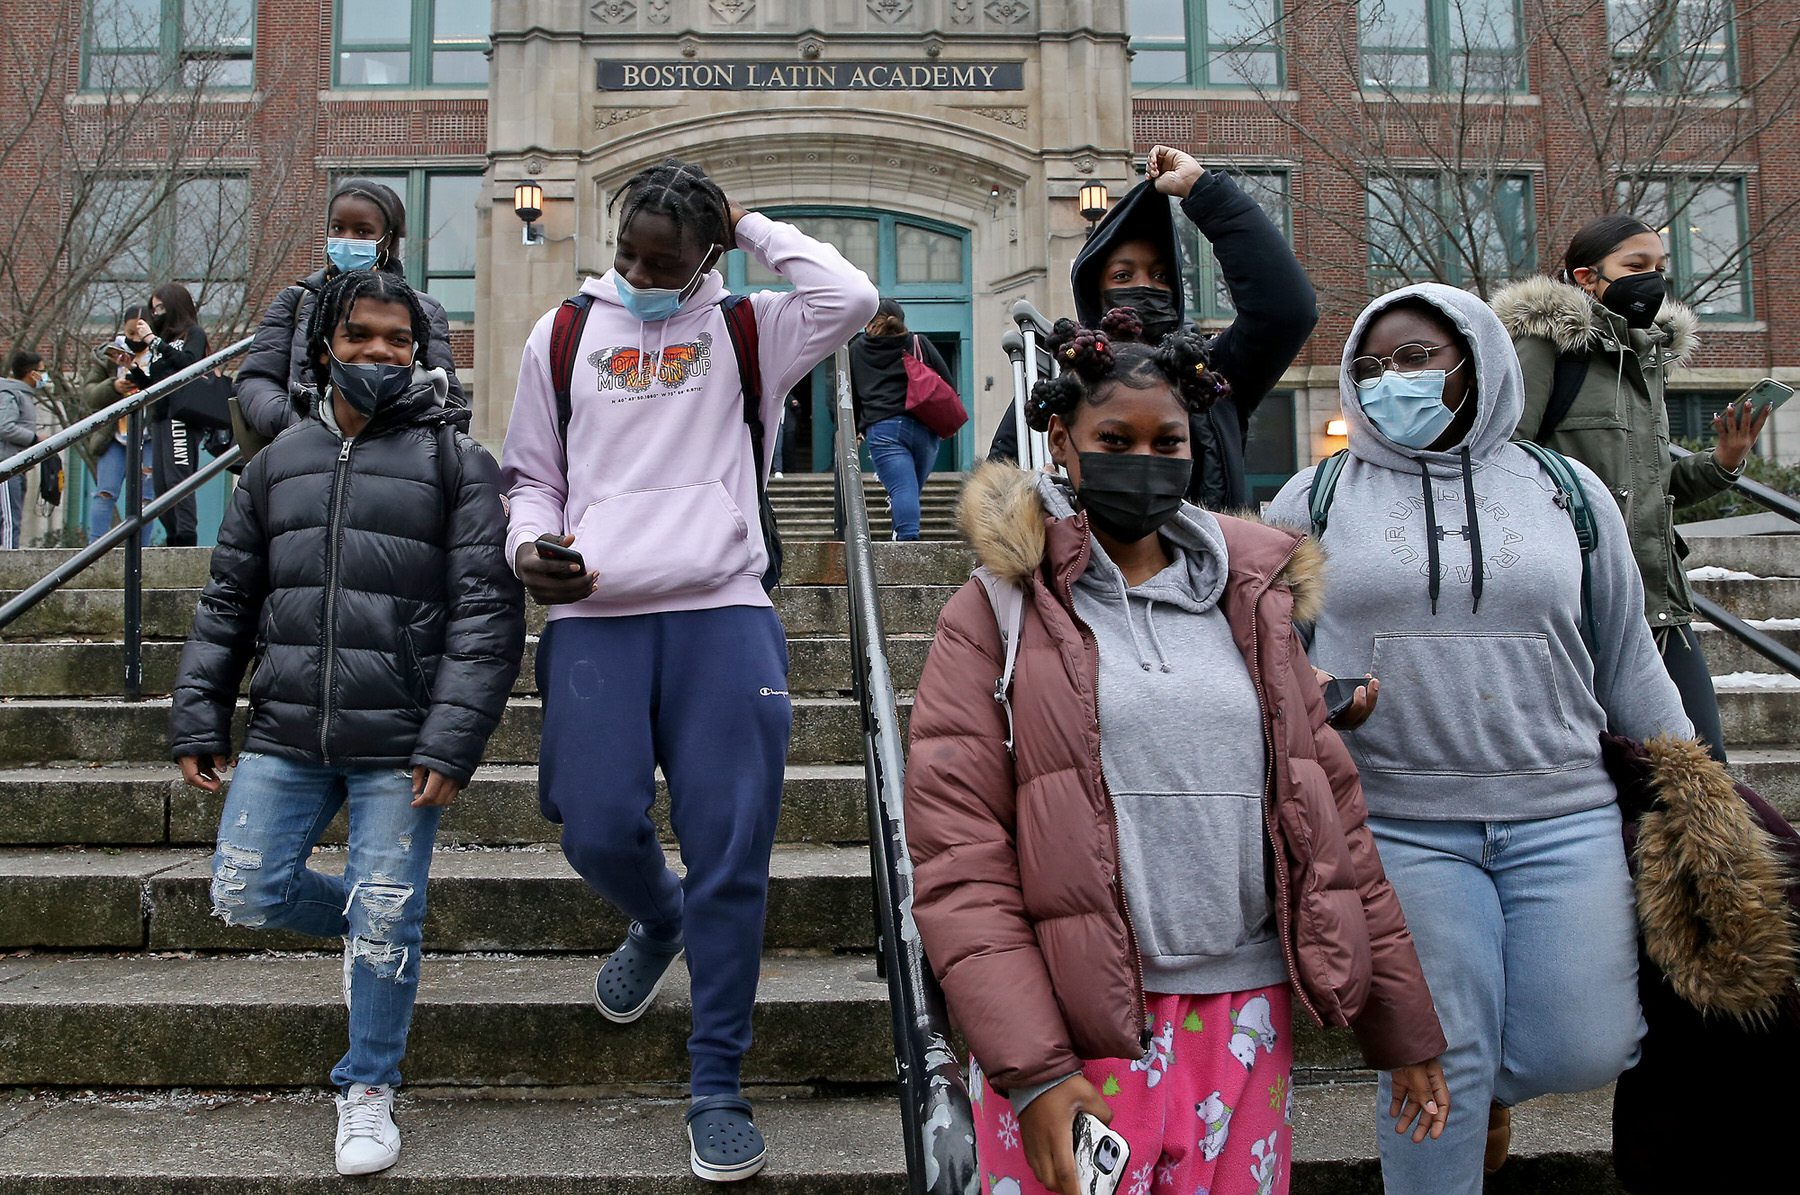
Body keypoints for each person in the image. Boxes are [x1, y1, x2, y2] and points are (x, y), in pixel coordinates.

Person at [909, 319, 1449, 1195]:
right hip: (1078, 1030)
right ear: (1062, 443)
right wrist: (1035, 1066)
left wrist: (1406, 1028)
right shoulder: (993, 615)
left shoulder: (1257, 607)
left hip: (1243, 1019)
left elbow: (1336, 831)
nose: (1145, 460)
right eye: (1114, 441)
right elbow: (960, 861)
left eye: (1169, 442)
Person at [1264, 284, 1698, 1195]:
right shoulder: (1315, 497)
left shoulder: (1568, 490)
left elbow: (1625, 656)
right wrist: (1316, 697)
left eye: (1417, 358)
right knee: (1436, 1063)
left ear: (1477, 359)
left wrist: (1699, 797)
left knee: (1588, 1041)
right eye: (1372, 367)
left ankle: (1485, 1083)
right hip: (1399, 823)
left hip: (1563, 810)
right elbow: (1265, 658)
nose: (1392, 382)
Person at [500, 157, 876, 1182]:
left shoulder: (753, 327)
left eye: (663, 260)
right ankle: (655, 914)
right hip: (598, 621)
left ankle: (718, 1081)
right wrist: (528, 550)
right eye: (626, 251)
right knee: (594, 823)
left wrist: (752, 218)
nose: (638, 271)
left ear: (708, 256)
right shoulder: (564, 333)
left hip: (721, 615)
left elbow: (853, 296)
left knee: (732, 857)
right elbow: (531, 475)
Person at [168, 269, 524, 1177]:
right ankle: (377, 929)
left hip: (400, 739)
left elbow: (487, 616)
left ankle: (368, 1084)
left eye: (397, 340)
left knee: (386, 908)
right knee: (245, 890)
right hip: (286, 729)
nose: (379, 352)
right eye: (361, 335)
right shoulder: (275, 462)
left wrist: (454, 738)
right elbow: (227, 601)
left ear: (418, 350)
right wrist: (199, 710)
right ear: (326, 341)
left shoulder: (456, 462)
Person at [1492, 215, 1764, 763]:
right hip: (1581, 603)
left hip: (1661, 602)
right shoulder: (1547, 348)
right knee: (1617, 778)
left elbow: (1652, 488)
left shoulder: (1647, 358)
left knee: (1704, 772)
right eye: (1635, 267)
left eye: (1660, 268)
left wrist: (1724, 462)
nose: (1652, 281)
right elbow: (1504, 460)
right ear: (1586, 276)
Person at [989, 145, 1317, 509]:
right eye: (1123, 275)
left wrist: (1205, 193)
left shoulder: (1211, 373)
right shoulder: (1059, 383)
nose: (1144, 286)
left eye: (1161, 275)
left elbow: (1286, 312)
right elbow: (999, 494)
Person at [236, 179, 464, 440]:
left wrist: (396, 435)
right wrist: (299, 424)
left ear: (385, 239)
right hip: (303, 458)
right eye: (338, 228)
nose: (347, 239)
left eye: (362, 231)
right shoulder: (295, 301)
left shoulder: (423, 310)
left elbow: (448, 398)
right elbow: (256, 379)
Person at [847, 298, 956, 540]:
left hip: (883, 428)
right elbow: (947, 382)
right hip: (925, 427)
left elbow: (850, 394)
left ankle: (907, 543)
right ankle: (901, 535)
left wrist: (854, 429)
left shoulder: (857, 350)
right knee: (909, 489)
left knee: (901, 488)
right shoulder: (918, 343)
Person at [124, 285, 208, 546]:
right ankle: (173, 534)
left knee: (178, 478)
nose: (155, 313)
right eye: (153, 309)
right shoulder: (164, 342)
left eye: (160, 307)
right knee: (160, 485)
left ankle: (185, 536)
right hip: (160, 416)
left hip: (181, 415)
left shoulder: (193, 333)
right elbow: (157, 382)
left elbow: (190, 364)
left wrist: (154, 342)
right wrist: (136, 372)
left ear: (174, 306)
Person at [77, 336, 154, 546]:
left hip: (149, 436)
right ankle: (94, 549)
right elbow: (90, 394)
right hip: (114, 436)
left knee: (146, 499)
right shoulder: (109, 355)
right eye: (131, 331)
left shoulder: (159, 351)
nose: (136, 337)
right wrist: (114, 387)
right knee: (105, 493)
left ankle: (142, 552)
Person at [0, 349, 47, 547]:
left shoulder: (23, 395)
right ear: (31, 373)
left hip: (16, 468)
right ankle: (9, 571)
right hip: (6, 467)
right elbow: (4, 427)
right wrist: (35, 438)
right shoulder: (10, 394)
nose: (45, 376)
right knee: (11, 521)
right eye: (42, 371)